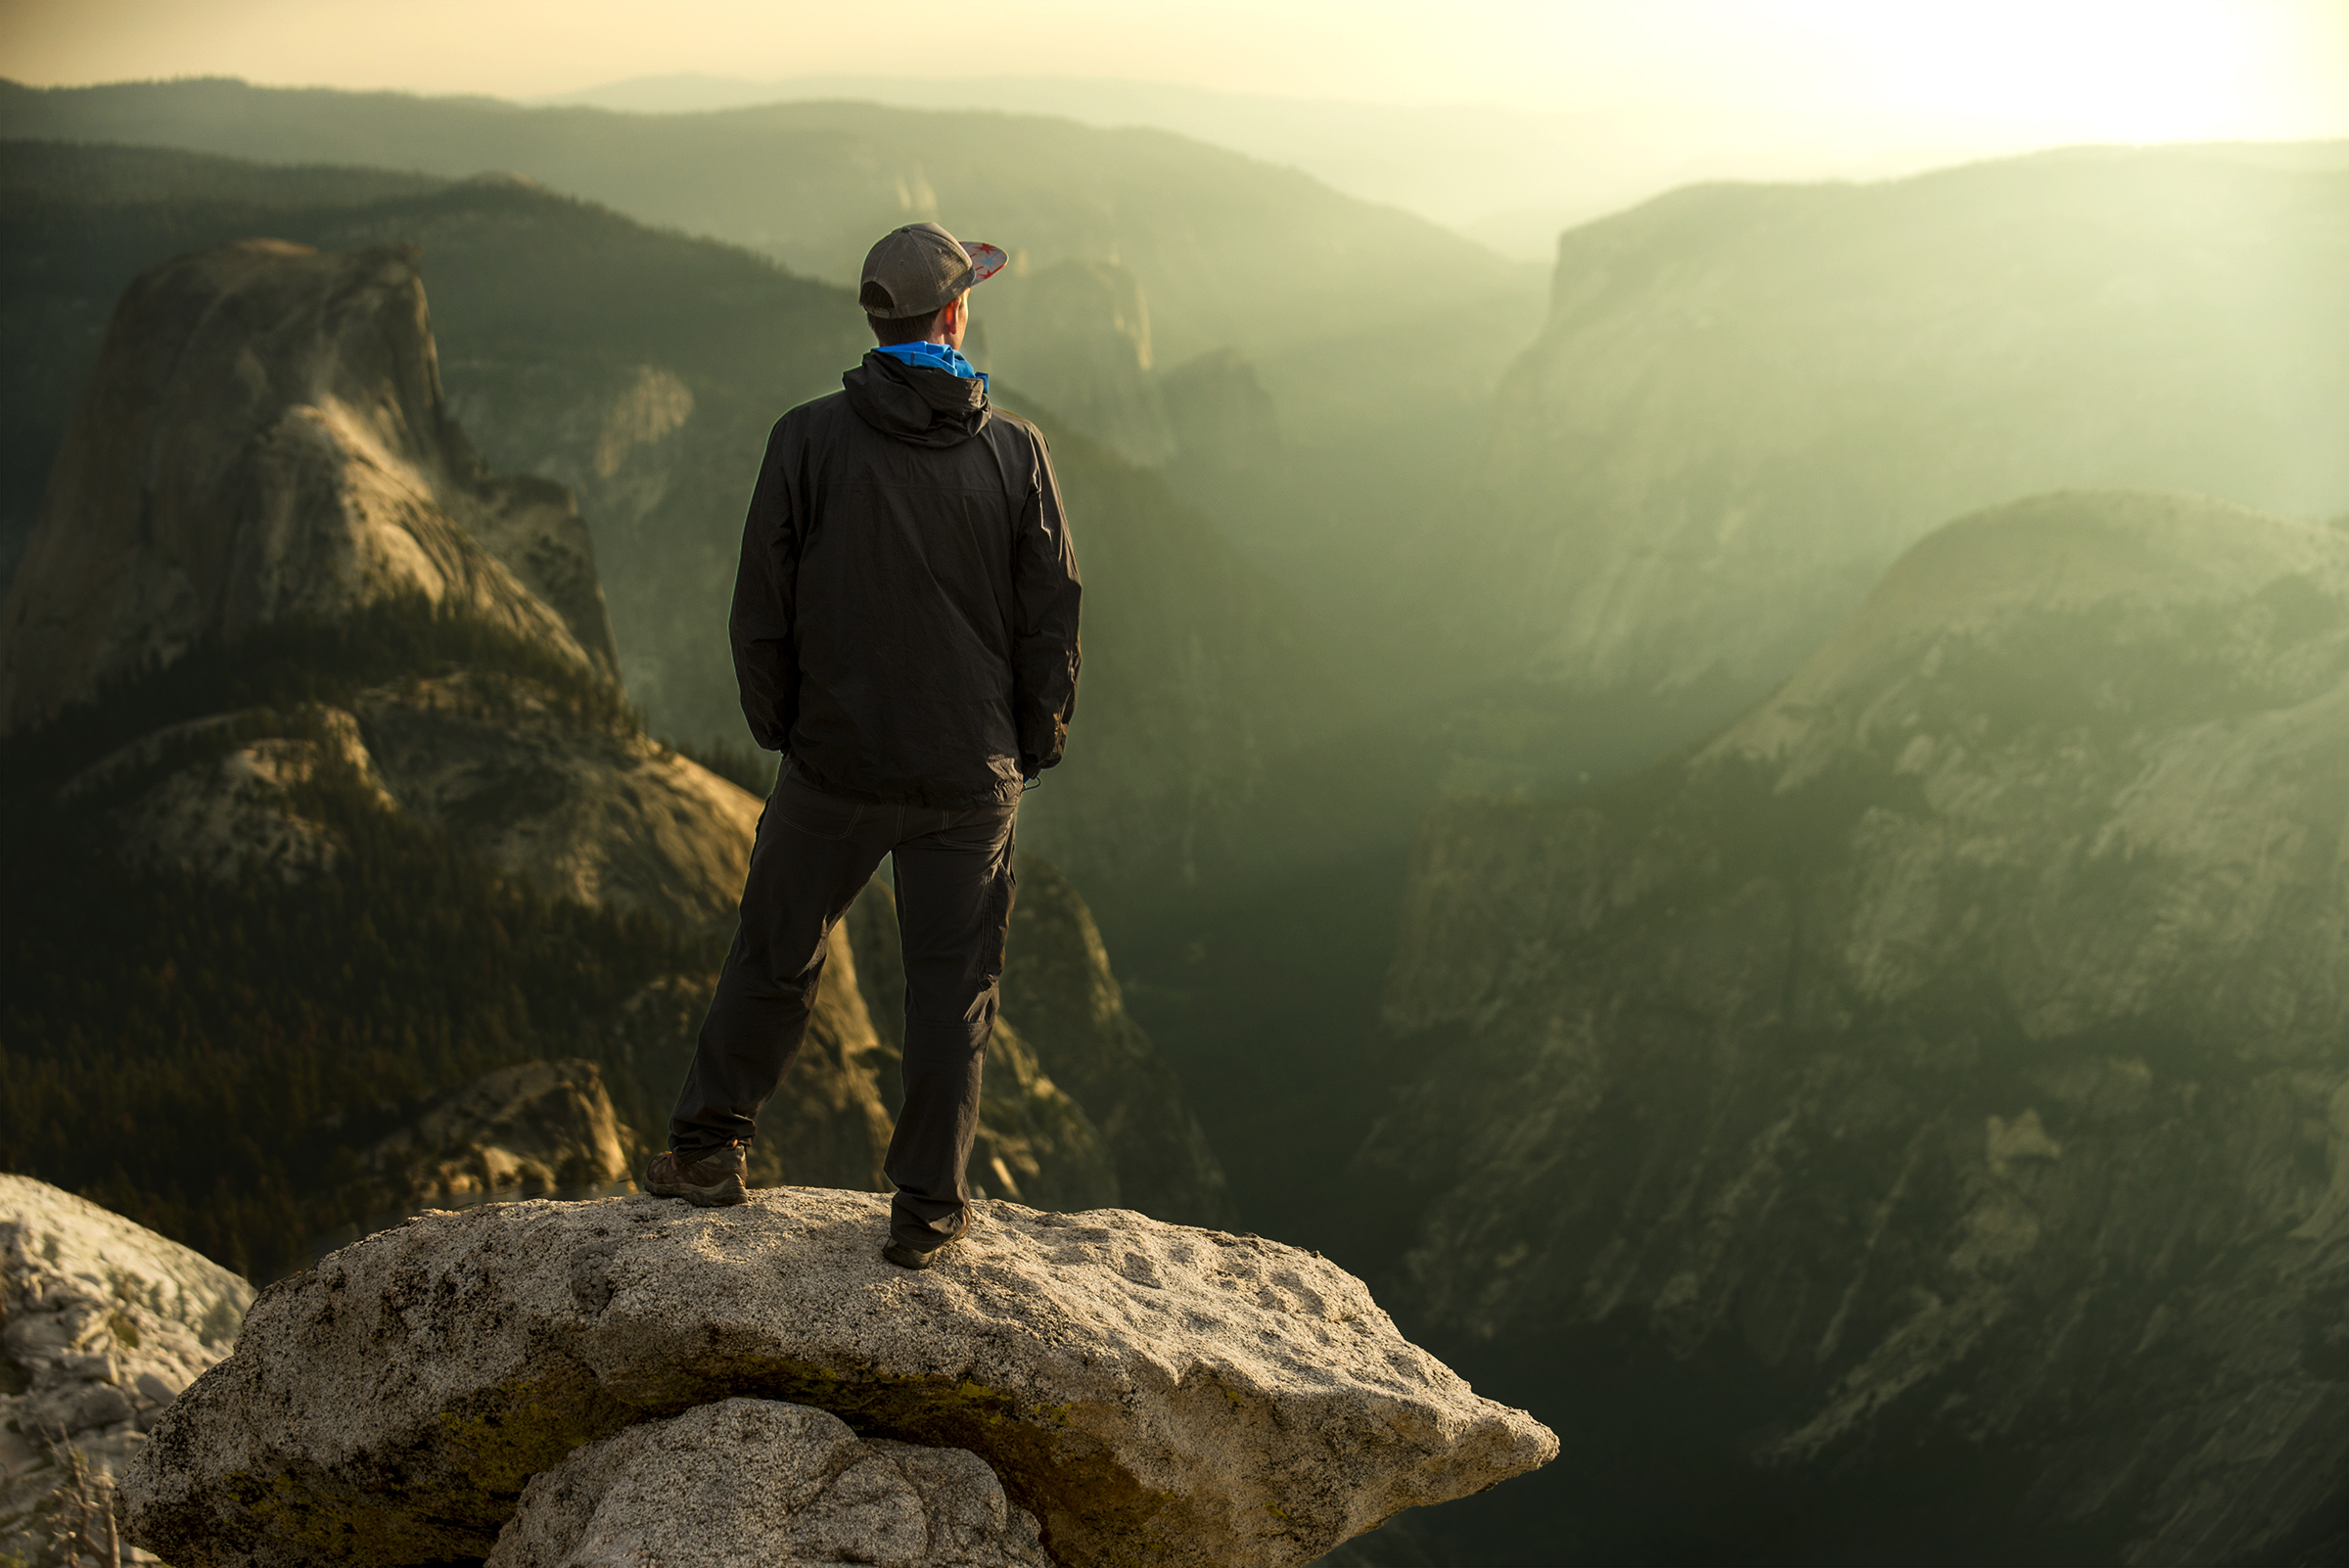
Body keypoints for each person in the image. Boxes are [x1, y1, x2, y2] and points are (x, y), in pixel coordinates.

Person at [645, 221, 1082, 1269]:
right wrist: (1029, 744)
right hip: (966, 777)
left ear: (878, 322)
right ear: (954, 314)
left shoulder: (805, 440)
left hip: (833, 764)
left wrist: (784, 728)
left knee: (777, 951)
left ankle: (708, 1151)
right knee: (951, 991)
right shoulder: (1015, 453)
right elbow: (1052, 615)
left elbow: (762, 607)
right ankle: (927, 1211)